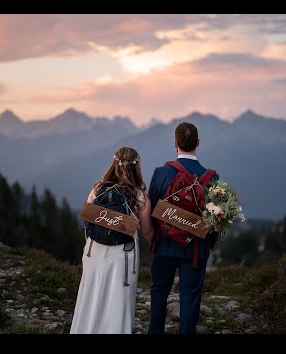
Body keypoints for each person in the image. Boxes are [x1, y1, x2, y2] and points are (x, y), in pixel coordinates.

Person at [70, 147, 154, 334]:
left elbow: (88, 219)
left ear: (114, 163)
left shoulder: (98, 189)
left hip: (94, 249)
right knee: (119, 297)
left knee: (91, 293)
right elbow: (147, 230)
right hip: (123, 252)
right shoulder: (139, 195)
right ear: (137, 166)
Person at [147, 122, 220, 334]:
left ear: (175, 143)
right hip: (196, 250)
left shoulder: (160, 173)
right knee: (190, 298)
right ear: (198, 143)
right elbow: (217, 220)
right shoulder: (211, 178)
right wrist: (207, 243)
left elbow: (152, 210)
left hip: (164, 246)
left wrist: (155, 239)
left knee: (159, 292)